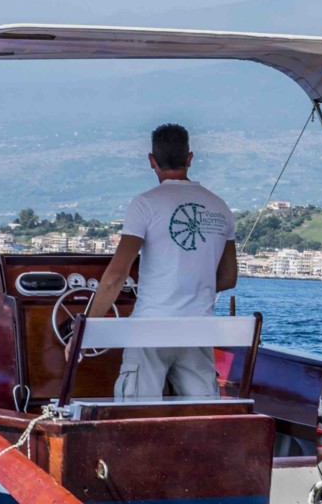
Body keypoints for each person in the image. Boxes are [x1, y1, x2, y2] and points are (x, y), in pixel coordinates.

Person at [85, 123, 237, 399]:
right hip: (197, 331)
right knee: (203, 417)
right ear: (190, 158)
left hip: (150, 330)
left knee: (135, 416)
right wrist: (192, 288)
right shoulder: (220, 207)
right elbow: (228, 278)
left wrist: (86, 331)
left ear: (151, 161)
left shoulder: (144, 204)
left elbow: (116, 276)